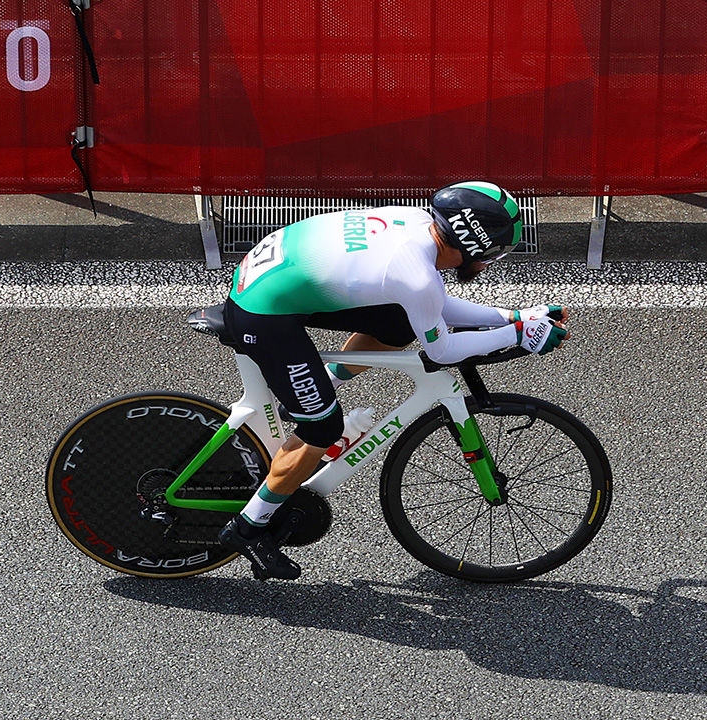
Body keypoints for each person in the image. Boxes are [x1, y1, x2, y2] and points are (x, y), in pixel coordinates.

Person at [217, 180, 569, 580]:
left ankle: (319, 388)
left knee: (401, 323)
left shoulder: (418, 224)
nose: (490, 263)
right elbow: (441, 350)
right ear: (472, 246)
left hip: (273, 277)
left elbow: (434, 305)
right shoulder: (416, 274)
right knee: (323, 429)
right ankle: (248, 527)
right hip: (263, 311)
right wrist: (519, 335)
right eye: (492, 254)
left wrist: (512, 317)